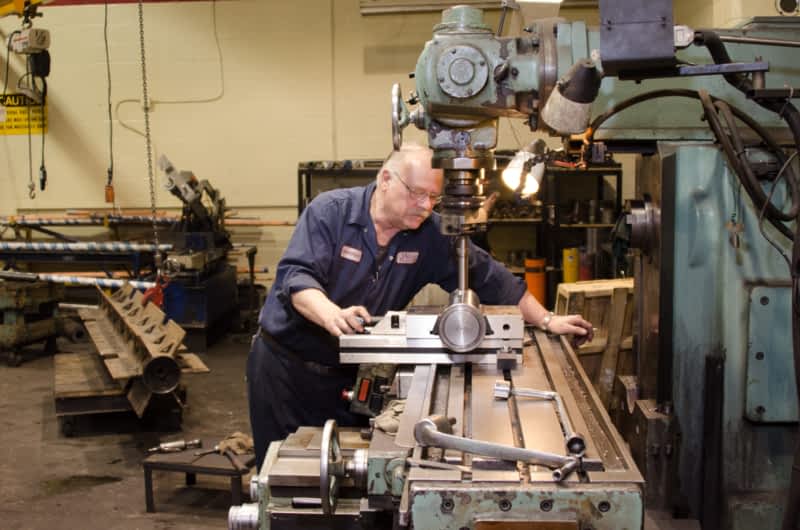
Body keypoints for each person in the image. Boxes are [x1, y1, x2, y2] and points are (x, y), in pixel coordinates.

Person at [247, 143, 593, 470]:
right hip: (285, 372)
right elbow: (297, 277)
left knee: (344, 474)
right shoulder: (330, 213)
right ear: (386, 179)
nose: (427, 206)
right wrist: (332, 314)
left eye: (433, 196)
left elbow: (490, 277)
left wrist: (548, 320)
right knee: (284, 481)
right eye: (417, 194)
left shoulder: (427, 235)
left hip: (348, 373)